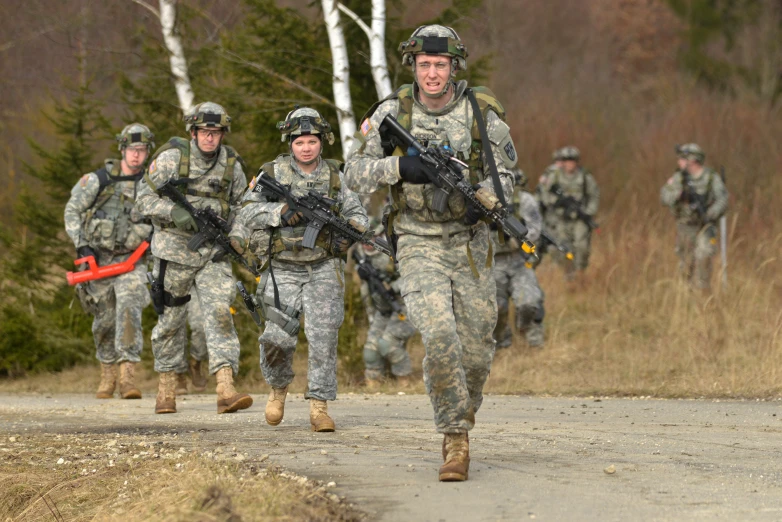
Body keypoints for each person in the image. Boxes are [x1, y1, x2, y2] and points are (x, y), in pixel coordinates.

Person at [344, 25, 519, 481]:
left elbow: (506, 175)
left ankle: (463, 409)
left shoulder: (482, 113)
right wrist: (401, 166)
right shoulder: (391, 112)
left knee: (478, 349)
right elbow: (352, 173)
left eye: (441, 65)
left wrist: (488, 199)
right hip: (417, 239)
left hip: (470, 242)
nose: (433, 73)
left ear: (454, 66)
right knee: (439, 337)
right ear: (413, 67)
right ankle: (455, 436)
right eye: (425, 65)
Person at [229, 107, 369, 432]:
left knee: (323, 337)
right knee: (277, 338)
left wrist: (347, 227)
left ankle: (319, 406)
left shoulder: (336, 176)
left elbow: (359, 215)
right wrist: (280, 211)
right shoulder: (273, 173)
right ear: (290, 143)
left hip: (323, 267)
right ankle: (278, 390)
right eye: (300, 142)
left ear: (322, 142)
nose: (306, 148)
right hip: (282, 268)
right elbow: (246, 212)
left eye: (312, 141)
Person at [135, 101, 252, 415]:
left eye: (215, 133)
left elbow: (244, 207)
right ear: (193, 132)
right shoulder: (173, 159)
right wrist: (172, 211)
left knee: (220, 312)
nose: (210, 138)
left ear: (222, 134)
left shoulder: (232, 166)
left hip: (213, 253)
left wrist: (238, 235)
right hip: (174, 253)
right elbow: (143, 199)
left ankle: (225, 386)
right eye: (204, 132)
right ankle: (167, 388)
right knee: (171, 321)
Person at [64, 123, 154, 399]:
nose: (136, 155)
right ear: (122, 149)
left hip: (133, 261)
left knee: (129, 307)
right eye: (131, 149)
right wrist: (82, 246)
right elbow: (72, 211)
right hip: (99, 261)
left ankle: (128, 377)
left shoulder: (152, 185)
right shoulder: (98, 180)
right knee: (103, 320)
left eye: (141, 150)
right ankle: (107, 374)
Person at [355, 222, 415, 388]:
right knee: (370, 351)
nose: (367, 243)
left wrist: (393, 286)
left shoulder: (394, 251)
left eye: (371, 238)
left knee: (388, 345)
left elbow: (414, 276)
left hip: (404, 308)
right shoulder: (361, 256)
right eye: (363, 239)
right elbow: (367, 294)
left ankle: (405, 384)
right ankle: (373, 388)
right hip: (382, 311)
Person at [660, 143, 728, 289]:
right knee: (686, 265)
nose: (679, 161)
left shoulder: (711, 178)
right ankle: (687, 299)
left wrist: (711, 214)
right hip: (685, 227)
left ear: (692, 160)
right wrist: (678, 195)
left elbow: (723, 199)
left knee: (703, 258)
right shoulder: (678, 178)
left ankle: (703, 296)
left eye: (682, 158)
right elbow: (664, 196)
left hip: (705, 226)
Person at [493, 169, 545, 348]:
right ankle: (501, 341)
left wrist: (518, 240)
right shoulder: (477, 198)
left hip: (518, 261)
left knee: (529, 302)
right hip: (491, 264)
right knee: (496, 310)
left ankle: (525, 329)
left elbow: (535, 229)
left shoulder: (524, 200)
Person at [536, 146, 599, 280]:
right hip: (560, 219)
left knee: (582, 247)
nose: (570, 163)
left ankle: (580, 272)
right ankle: (569, 274)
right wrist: (555, 203)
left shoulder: (585, 177)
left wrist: (588, 212)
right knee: (561, 248)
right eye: (567, 160)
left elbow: (594, 196)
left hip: (579, 219)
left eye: (573, 160)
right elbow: (544, 193)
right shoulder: (554, 176)